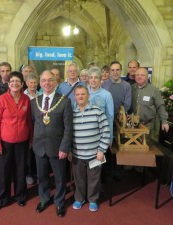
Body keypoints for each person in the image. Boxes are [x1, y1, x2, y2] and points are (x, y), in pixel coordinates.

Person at [31, 70, 73, 217]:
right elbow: (32, 123)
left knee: (60, 178)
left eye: (50, 80)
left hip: (57, 148)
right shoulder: (34, 102)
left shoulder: (65, 101)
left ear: (55, 82)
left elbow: (68, 128)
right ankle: (44, 198)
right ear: (40, 83)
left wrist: (64, 147)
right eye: (43, 80)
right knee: (41, 176)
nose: (47, 83)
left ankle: (60, 203)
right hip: (39, 147)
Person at [0, 71, 33, 213]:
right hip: (5, 142)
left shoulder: (26, 99)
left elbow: (29, 121)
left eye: (18, 81)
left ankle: (20, 196)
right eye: (12, 81)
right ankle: (1, 199)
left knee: (20, 170)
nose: (15, 83)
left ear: (22, 84)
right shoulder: (2, 99)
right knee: (3, 171)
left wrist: (31, 139)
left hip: (22, 142)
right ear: (9, 84)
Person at [70, 85, 110, 212]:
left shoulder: (97, 111)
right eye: (77, 94)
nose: (80, 96)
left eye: (83, 94)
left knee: (94, 179)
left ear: (88, 96)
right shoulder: (71, 113)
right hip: (77, 154)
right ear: (74, 97)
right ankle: (79, 198)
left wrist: (101, 150)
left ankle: (93, 199)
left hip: (95, 154)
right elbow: (68, 134)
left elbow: (106, 132)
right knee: (79, 178)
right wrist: (69, 150)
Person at [130, 67, 169, 136]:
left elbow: (160, 106)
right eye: (137, 75)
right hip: (133, 125)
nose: (139, 77)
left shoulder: (154, 90)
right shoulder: (131, 88)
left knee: (147, 145)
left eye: (142, 75)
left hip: (148, 125)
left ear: (147, 77)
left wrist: (164, 121)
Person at [88, 67, 114, 142]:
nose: (93, 80)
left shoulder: (107, 95)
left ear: (100, 80)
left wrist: (110, 136)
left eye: (96, 77)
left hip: (101, 133)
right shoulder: (83, 93)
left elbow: (110, 117)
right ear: (88, 79)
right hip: (85, 133)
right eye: (91, 77)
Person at [24, 73, 40, 185]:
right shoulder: (23, 95)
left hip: (38, 127)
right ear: (27, 83)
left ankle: (37, 174)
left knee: (37, 152)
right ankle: (29, 173)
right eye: (31, 83)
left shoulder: (41, 95)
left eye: (35, 82)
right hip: (27, 126)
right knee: (28, 152)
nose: (33, 85)